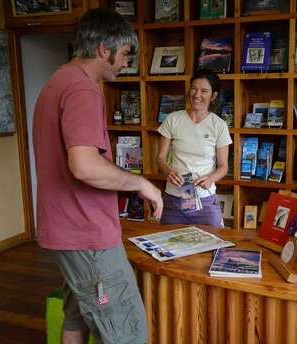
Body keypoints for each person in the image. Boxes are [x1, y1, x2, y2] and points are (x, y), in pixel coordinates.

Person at [32, 8, 163, 344]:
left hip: (67, 234)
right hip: (88, 238)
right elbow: (84, 166)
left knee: (76, 316)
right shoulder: (83, 89)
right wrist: (142, 183)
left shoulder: (57, 81)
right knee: (127, 331)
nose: (125, 63)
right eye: (124, 55)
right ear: (103, 49)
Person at [156, 69, 232, 228]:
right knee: (171, 247)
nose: (197, 95)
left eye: (204, 91)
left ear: (214, 96)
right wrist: (168, 171)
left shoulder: (219, 125)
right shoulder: (172, 119)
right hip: (174, 199)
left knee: (213, 246)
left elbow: (223, 167)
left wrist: (211, 179)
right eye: (193, 88)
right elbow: (161, 158)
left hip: (205, 200)